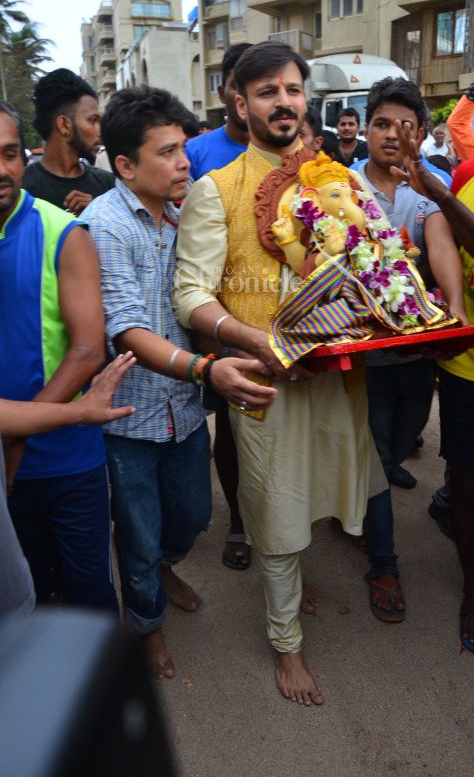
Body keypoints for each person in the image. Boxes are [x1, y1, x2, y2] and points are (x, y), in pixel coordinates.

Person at [175, 40, 399, 707]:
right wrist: (254, 339)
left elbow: (381, 263)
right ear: (240, 104)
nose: (284, 101)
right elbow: (191, 293)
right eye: (267, 91)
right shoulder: (215, 189)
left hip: (338, 374)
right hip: (264, 382)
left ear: (308, 100)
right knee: (274, 512)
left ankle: (319, 584)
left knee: (336, 487)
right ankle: (287, 644)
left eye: (293, 89)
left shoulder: (341, 179)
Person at [81, 85, 276, 679]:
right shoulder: (104, 226)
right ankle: (146, 624)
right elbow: (127, 329)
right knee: (137, 537)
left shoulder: (185, 212)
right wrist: (206, 368)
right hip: (129, 420)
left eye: (183, 149)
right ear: (125, 165)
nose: (184, 162)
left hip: (184, 411)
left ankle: (164, 570)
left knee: (191, 517)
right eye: (166, 152)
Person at [390, 63, 474, 683]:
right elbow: (438, 251)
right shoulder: (472, 174)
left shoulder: (456, 184)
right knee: (466, 481)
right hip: (470, 368)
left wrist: (438, 193)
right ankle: (473, 583)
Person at [0, 100, 118, 614]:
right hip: (6, 460)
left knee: (88, 589)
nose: (1, 170)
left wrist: (17, 436)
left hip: (67, 457)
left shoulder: (63, 232)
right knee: (26, 594)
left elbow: (89, 349)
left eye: (8, 154)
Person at [350, 77, 466, 489]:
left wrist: (457, 307)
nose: (391, 135)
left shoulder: (429, 186)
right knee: (373, 431)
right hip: (365, 344)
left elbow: (442, 247)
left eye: (403, 126)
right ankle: (370, 515)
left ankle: (387, 465)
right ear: (367, 129)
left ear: (418, 133)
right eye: (381, 124)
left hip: (418, 343)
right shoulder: (342, 185)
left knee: (412, 423)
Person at [185, 43, 254, 570]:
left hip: (289, 317)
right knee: (231, 426)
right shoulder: (200, 151)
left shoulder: (299, 149)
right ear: (228, 91)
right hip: (220, 316)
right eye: (239, 83)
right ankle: (237, 519)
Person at [0, 353, 136, 617]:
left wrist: (81, 412)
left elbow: (87, 350)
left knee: (88, 586)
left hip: (72, 460)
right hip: (23, 470)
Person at [22, 69, 114, 215]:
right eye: (92, 120)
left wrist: (96, 214)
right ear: (64, 125)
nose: (99, 131)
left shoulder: (108, 184)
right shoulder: (22, 189)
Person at [185, 43, 252, 181]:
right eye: (237, 86)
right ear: (222, 93)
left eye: (257, 87)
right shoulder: (192, 153)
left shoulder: (285, 152)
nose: (246, 95)